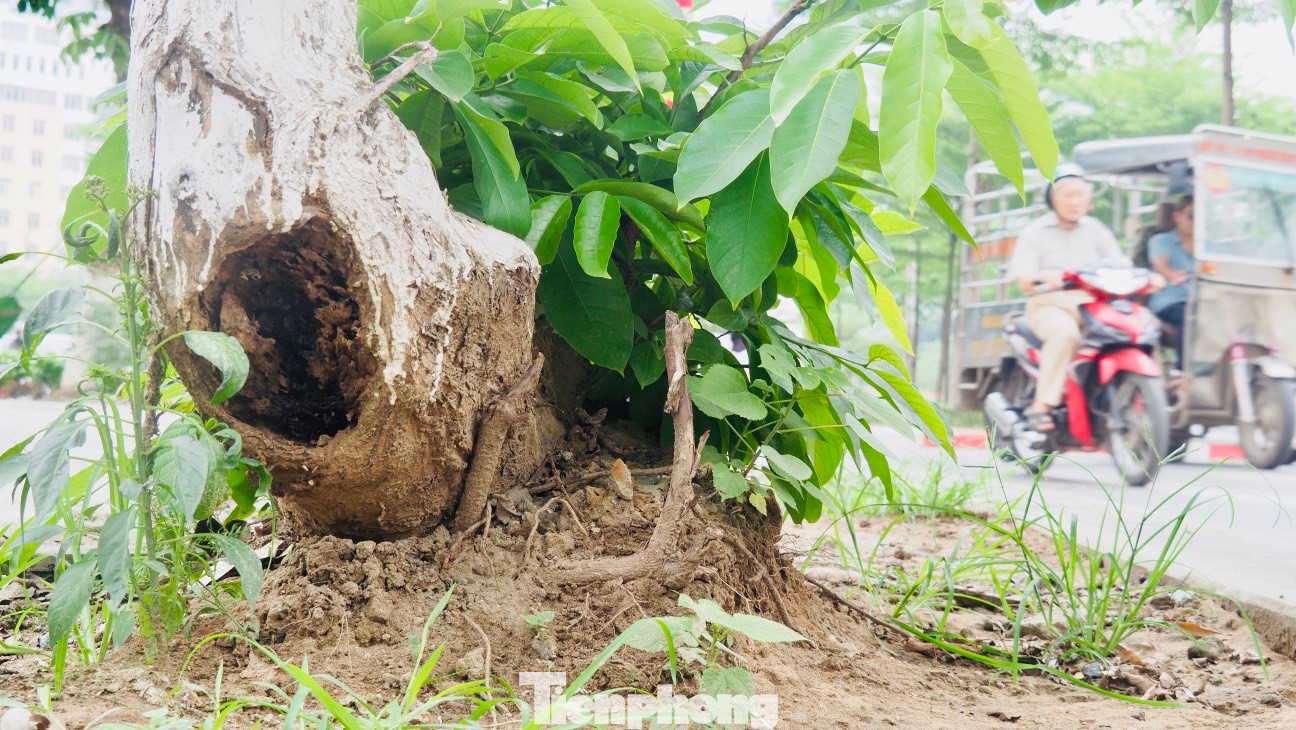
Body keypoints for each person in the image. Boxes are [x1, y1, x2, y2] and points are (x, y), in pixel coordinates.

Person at [1006, 172, 1132, 432]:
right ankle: (1042, 405)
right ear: (1053, 200)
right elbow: (1023, 280)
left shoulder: (1098, 231)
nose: (1075, 202)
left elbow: (1120, 265)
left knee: (1134, 329)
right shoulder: (1035, 233)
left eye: (1081, 195)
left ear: (1089, 202)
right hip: (1049, 305)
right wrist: (1043, 277)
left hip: (1093, 304)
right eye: (1068, 195)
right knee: (1066, 335)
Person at [1146, 196, 1193, 372]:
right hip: (1170, 302)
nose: (1196, 222)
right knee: (1187, 316)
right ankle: (1181, 372)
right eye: (1191, 215)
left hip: (1202, 301)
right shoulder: (1161, 241)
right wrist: (1171, 275)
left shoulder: (1209, 246)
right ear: (1176, 216)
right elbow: (1161, 266)